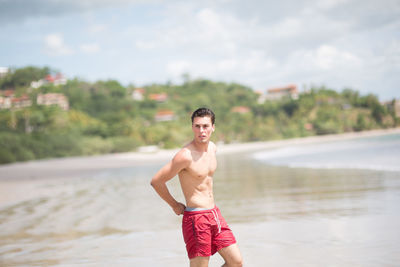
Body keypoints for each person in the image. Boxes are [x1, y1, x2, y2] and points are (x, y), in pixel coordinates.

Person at [151, 107, 243, 267]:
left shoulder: (213, 148)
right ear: (192, 127)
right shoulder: (185, 156)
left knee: (236, 262)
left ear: (213, 127)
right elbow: (156, 181)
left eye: (205, 126)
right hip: (196, 218)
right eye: (197, 126)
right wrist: (174, 205)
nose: (201, 130)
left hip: (214, 214)